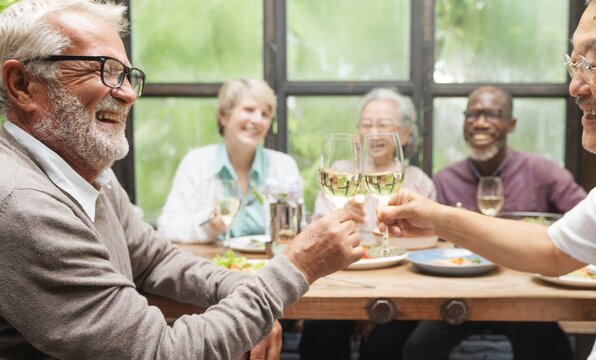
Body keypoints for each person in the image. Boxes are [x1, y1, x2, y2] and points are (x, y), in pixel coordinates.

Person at [0, 1, 364, 359]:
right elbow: (161, 351)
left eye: (128, 76)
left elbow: (155, 259)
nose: (128, 94)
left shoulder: (89, 174)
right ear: (22, 84)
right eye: (104, 70)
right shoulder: (22, 205)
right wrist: (294, 268)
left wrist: (246, 291)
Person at [380, 0, 596, 358]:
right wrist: (434, 217)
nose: (575, 86)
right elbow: (553, 249)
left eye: (594, 63)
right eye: (574, 63)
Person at [403, 86, 586, 360]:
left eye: (491, 114)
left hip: (524, 294)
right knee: (417, 349)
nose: (479, 122)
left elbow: (586, 220)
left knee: (548, 346)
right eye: (472, 114)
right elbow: (433, 244)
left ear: (511, 124)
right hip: (462, 292)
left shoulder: (542, 171)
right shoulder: (446, 179)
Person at [300, 87, 436, 360]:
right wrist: (335, 219)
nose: (374, 133)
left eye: (384, 125)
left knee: (385, 344)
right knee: (320, 331)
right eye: (367, 125)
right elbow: (314, 235)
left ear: (405, 134)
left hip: (400, 289)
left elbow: (428, 245)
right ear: (357, 132)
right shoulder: (338, 173)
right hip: (340, 283)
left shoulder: (418, 182)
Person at [157, 78, 302, 243]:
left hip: (270, 266)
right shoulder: (196, 163)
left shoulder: (284, 166)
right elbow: (167, 228)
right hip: (211, 265)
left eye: (265, 114)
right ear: (224, 116)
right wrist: (209, 225)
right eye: (249, 109)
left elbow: (298, 230)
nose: (257, 120)